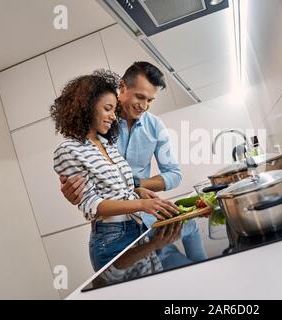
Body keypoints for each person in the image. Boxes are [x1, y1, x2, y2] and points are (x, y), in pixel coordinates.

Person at [58, 62, 207, 266]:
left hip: (146, 218)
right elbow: (90, 196)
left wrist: (137, 186)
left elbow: (174, 174)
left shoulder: (153, 126)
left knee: (190, 241)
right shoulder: (101, 127)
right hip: (119, 227)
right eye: (139, 97)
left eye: (150, 100)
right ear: (123, 87)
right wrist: (75, 192)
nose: (144, 106)